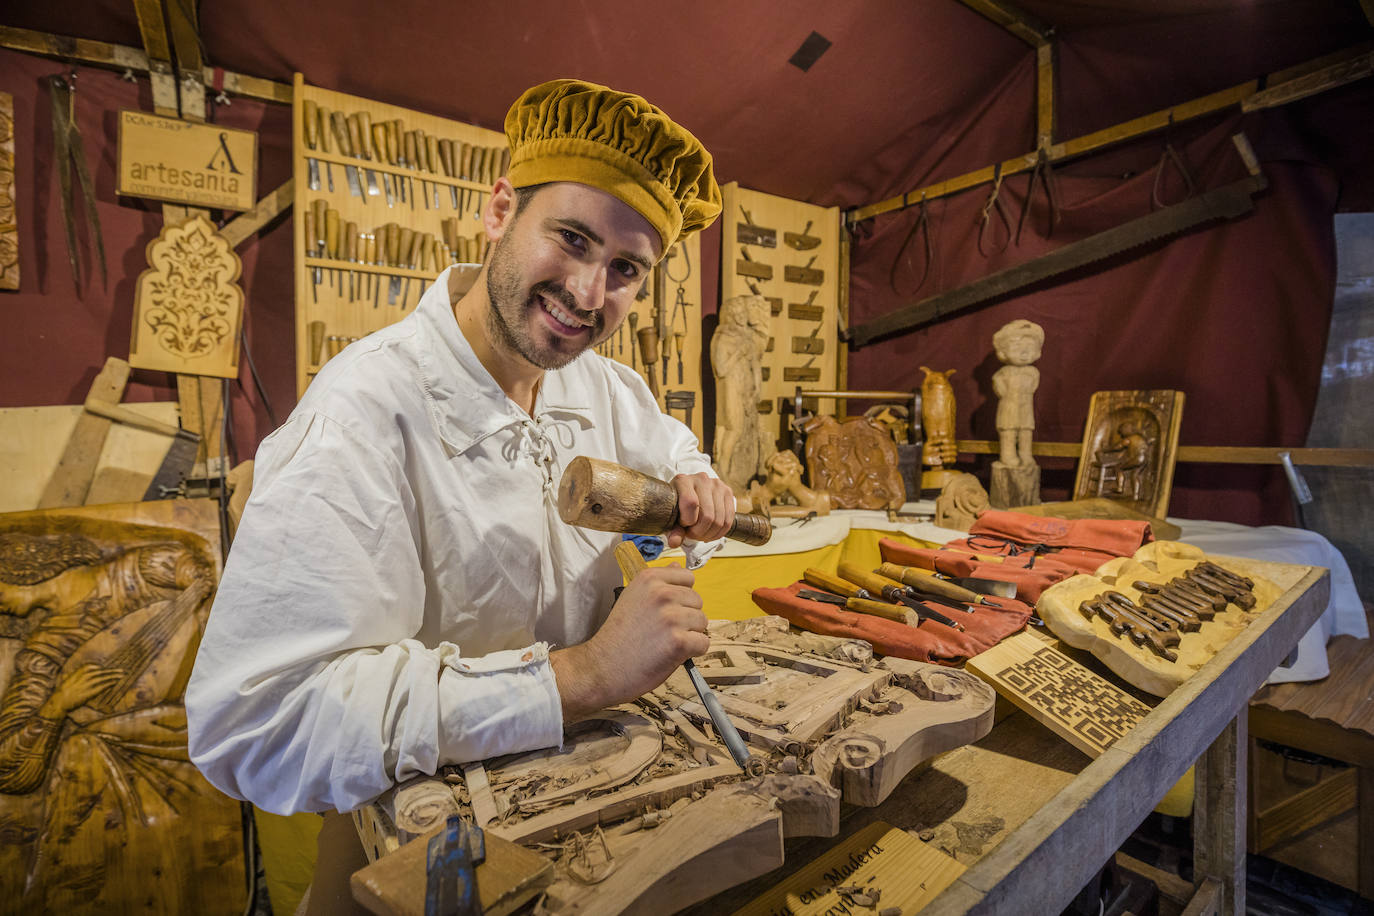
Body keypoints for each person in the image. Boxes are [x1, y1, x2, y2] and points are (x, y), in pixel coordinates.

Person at [185, 79, 734, 817]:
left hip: (594, 801)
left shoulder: (607, 388)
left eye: (625, 270)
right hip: (425, 839)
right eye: (572, 239)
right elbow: (260, 724)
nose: (587, 293)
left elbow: (670, 450)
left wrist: (695, 481)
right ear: (500, 210)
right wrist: (585, 676)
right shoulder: (365, 410)